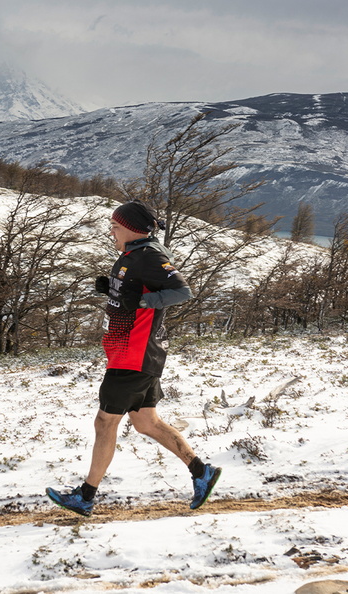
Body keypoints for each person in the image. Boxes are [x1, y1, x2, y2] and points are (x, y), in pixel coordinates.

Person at [46, 200, 222, 517]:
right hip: (135, 353)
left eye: (115, 226)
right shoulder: (131, 256)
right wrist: (112, 289)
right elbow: (129, 296)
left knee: (104, 422)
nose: (111, 232)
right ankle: (201, 472)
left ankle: (85, 496)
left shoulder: (149, 255)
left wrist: (141, 299)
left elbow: (182, 291)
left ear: (130, 229)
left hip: (134, 354)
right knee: (146, 423)